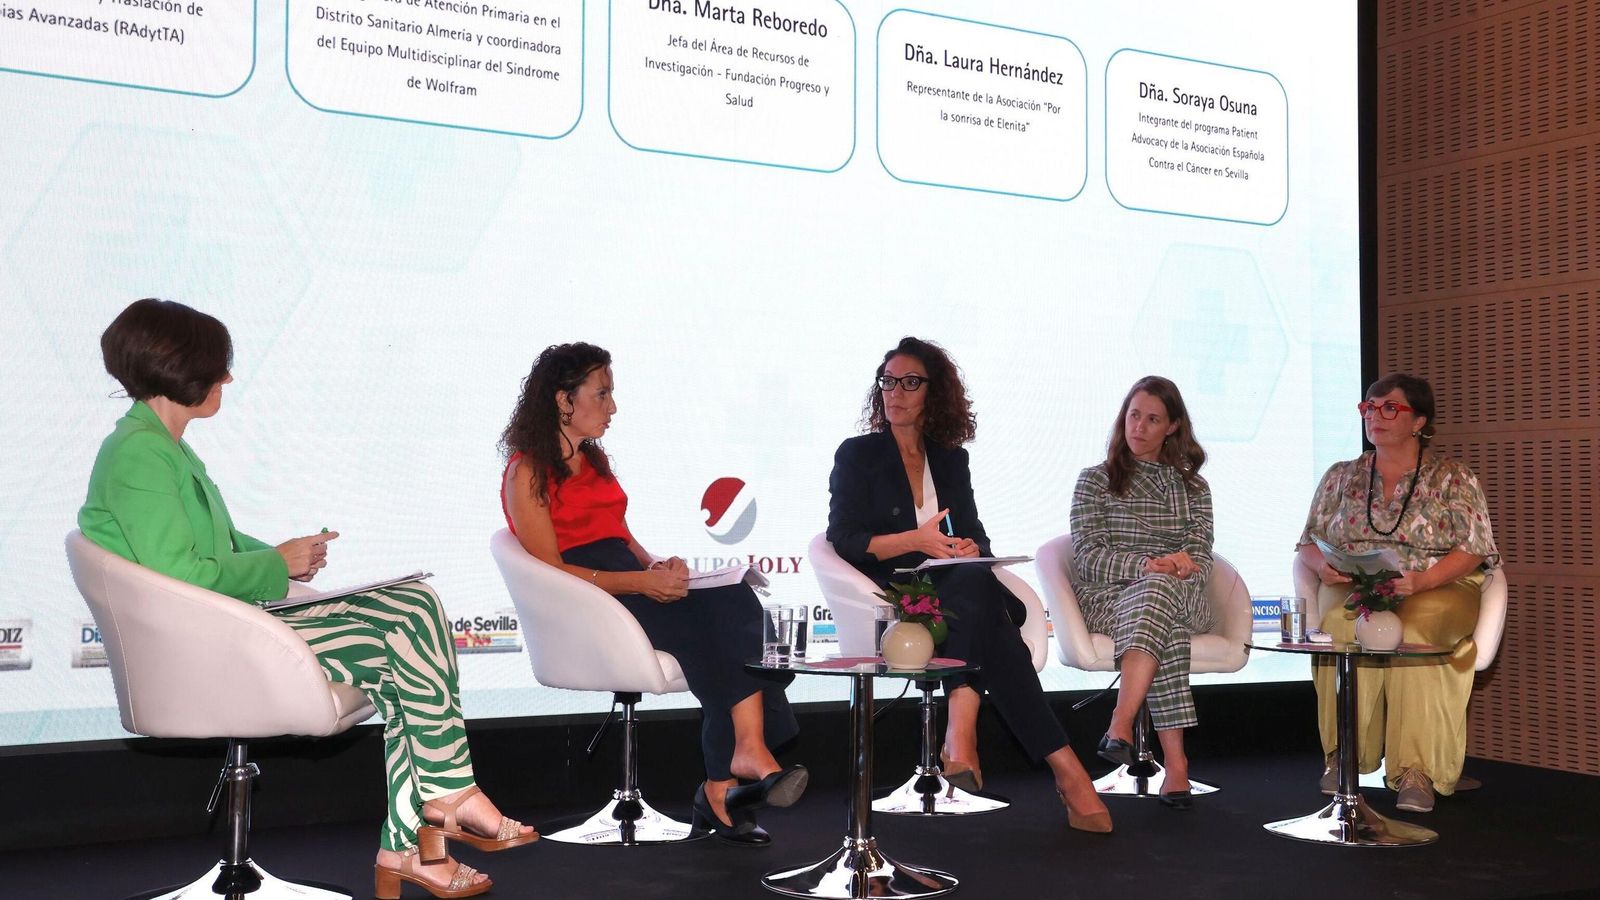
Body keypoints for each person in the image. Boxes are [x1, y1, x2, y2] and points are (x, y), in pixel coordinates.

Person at [78, 299, 534, 900]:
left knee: (412, 618)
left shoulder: (165, 447)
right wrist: (278, 564)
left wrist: (287, 556)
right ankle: (448, 798)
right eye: (218, 367)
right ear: (178, 366)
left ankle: (409, 847)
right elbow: (179, 573)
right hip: (203, 649)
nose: (228, 379)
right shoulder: (138, 452)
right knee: (409, 619)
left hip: (225, 629)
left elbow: (215, 547)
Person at [499, 342, 804, 846]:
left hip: (624, 578)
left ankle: (742, 755)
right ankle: (724, 782)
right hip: (586, 600)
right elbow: (551, 571)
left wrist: (656, 566)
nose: (612, 407)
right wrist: (640, 582)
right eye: (602, 394)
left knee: (734, 598)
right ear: (563, 399)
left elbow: (620, 537)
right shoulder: (527, 470)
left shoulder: (593, 459)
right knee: (703, 629)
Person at [826, 337, 1112, 834]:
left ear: (933, 394)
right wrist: (915, 541)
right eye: (887, 381)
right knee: (991, 625)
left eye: (910, 382)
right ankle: (1063, 772)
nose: (895, 392)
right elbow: (845, 539)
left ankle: (965, 729)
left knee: (975, 588)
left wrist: (965, 550)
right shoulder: (859, 454)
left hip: (954, 589)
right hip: (894, 594)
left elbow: (974, 532)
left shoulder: (950, 459)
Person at [1295, 373, 1498, 813]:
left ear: (1419, 420)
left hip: (1438, 582)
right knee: (1340, 626)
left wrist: (1422, 582)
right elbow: (1307, 542)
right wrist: (1324, 567)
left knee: (1418, 628)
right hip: (1359, 584)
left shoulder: (1453, 477)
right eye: (1369, 407)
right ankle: (1344, 756)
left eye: (1390, 407)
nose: (1375, 415)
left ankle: (1416, 771)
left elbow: (1475, 549)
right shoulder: (1340, 476)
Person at [1068, 376, 1214, 810]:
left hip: (1183, 596)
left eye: (1153, 419)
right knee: (1158, 604)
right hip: (1108, 600)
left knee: (1160, 593)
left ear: (1172, 427)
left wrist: (1182, 565)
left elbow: (1204, 561)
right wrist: (1146, 567)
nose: (1140, 427)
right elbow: (1086, 557)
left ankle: (1120, 721)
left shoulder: (1193, 488)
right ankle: (1177, 765)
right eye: (1134, 415)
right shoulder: (1095, 480)